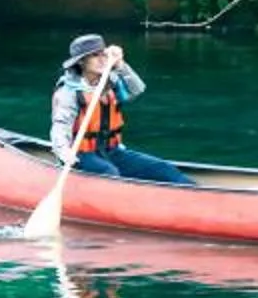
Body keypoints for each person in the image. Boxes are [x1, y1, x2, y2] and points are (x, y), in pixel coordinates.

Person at [50, 34, 192, 187]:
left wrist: (120, 65)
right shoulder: (68, 93)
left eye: (103, 54)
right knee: (110, 173)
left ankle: (195, 193)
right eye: (95, 56)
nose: (102, 59)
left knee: (163, 169)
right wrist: (64, 152)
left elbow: (137, 90)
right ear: (81, 61)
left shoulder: (110, 81)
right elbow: (60, 126)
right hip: (80, 155)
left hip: (111, 151)